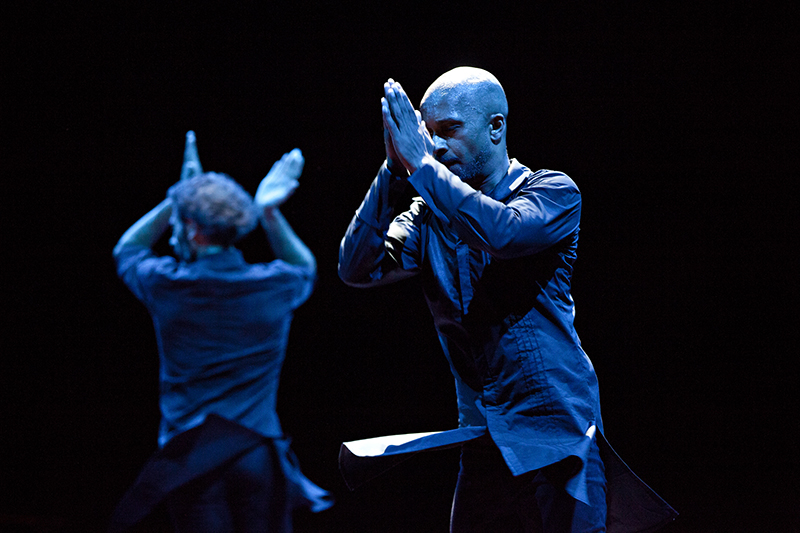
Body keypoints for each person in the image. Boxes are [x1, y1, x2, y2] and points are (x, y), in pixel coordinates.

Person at [338, 68, 676, 532]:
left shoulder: (553, 193)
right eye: (426, 135)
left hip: (554, 438)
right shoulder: (428, 214)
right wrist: (394, 168)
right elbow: (357, 267)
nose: (435, 146)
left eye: (449, 130)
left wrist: (422, 168)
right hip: (484, 442)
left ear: (495, 127)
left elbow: (502, 232)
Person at [110, 132, 332, 533]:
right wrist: (270, 213)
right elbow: (306, 267)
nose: (175, 231)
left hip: (191, 457)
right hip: (255, 453)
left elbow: (128, 249)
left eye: (179, 223)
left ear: (194, 230)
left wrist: (177, 195)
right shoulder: (273, 285)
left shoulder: (168, 285)